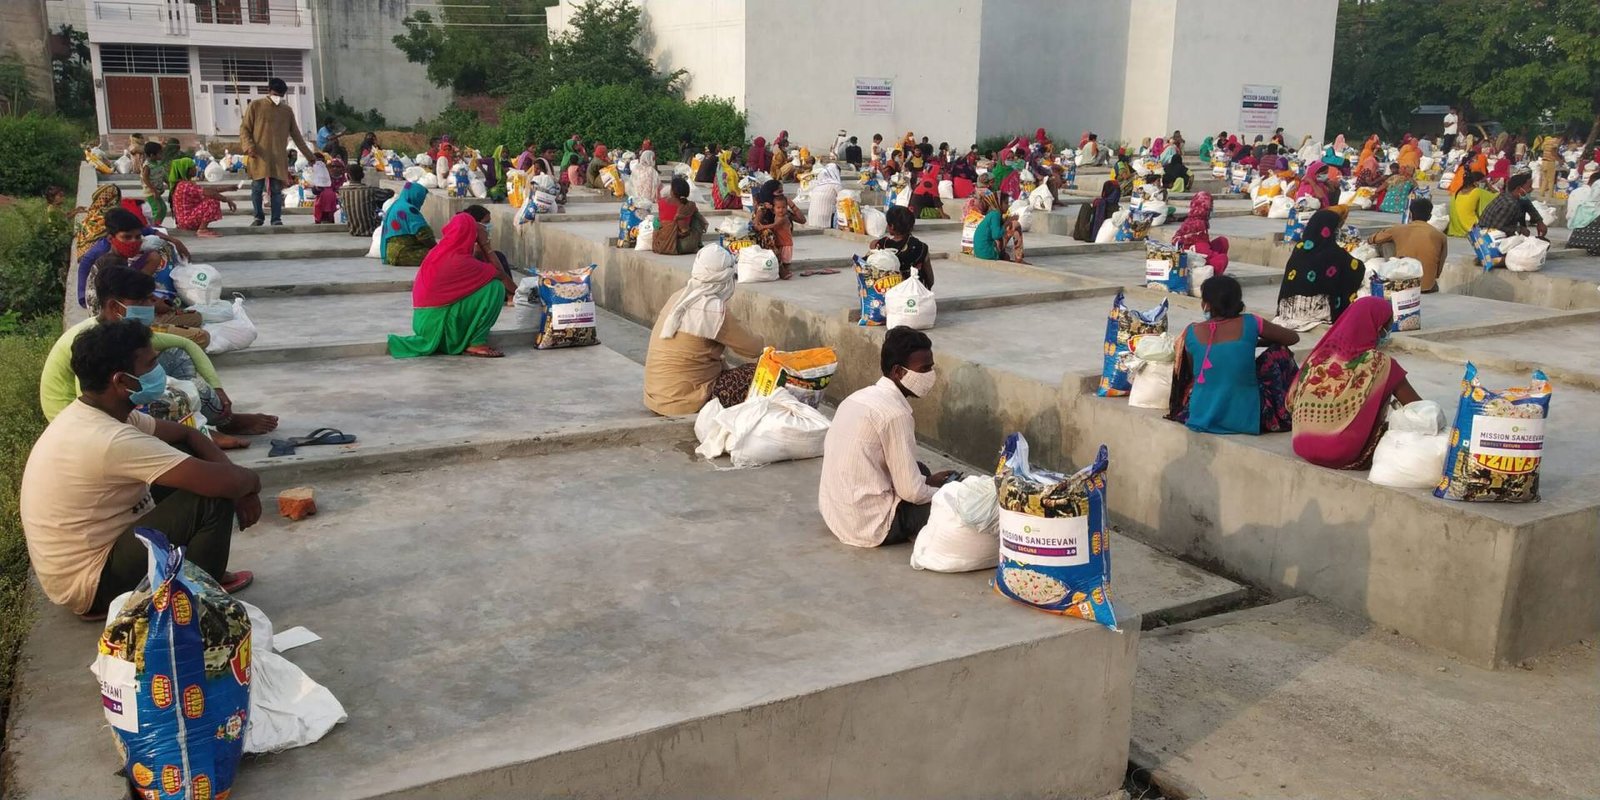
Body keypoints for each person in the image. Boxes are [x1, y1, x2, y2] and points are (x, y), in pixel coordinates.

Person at [21, 320, 262, 618]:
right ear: (122, 381)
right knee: (212, 497)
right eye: (150, 365)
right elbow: (225, 483)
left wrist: (239, 486)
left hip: (94, 558)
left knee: (191, 459)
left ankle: (191, 570)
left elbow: (187, 434)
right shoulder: (109, 438)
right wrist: (250, 485)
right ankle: (195, 598)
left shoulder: (100, 413)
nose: (158, 372)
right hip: (94, 583)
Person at [45, 266, 278, 445]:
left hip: (102, 404)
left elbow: (187, 345)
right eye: (141, 301)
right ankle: (200, 432)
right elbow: (91, 401)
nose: (151, 306)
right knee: (171, 396)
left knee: (176, 355)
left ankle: (219, 420)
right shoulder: (92, 342)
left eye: (149, 299)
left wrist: (216, 387)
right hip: (76, 421)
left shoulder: (124, 332)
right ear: (115, 307)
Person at [818, 327, 955, 547]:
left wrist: (926, 482)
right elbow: (912, 492)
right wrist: (946, 491)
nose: (930, 376)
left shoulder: (857, 397)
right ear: (898, 372)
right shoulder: (895, 415)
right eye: (924, 369)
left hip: (836, 513)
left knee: (920, 470)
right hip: (869, 524)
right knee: (953, 505)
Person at [1288, 296, 1421, 469]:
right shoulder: (1379, 363)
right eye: (1387, 326)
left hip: (1302, 445)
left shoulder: (1320, 356)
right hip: (1342, 453)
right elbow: (1419, 408)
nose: (1388, 332)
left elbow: (1290, 401)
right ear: (1377, 327)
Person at [1168, 275, 1301, 435]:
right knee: (1280, 351)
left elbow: (1195, 371)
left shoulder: (1191, 332)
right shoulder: (1251, 322)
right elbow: (1293, 338)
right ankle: (1289, 407)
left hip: (1201, 414)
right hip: (1246, 417)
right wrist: (1257, 341)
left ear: (1206, 304)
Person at [642, 245, 765, 415]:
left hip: (656, 398)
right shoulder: (713, 309)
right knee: (762, 374)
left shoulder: (678, 297)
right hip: (685, 403)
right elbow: (754, 349)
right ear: (726, 277)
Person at [388, 213, 514, 359]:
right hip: (439, 329)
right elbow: (500, 275)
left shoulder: (439, 252)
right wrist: (486, 245)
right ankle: (477, 343)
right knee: (495, 288)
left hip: (425, 324)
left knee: (486, 284)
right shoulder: (460, 260)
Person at [75, 207, 191, 310]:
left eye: (137, 237)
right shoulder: (110, 260)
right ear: (111, 239)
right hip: (109, 312)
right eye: (127, 237)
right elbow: (122, 301)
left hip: (119, 297)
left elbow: (148, 230)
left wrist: (175, 241)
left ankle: (141, 289)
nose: (133, 242)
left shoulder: (120, 253)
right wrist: (155, 306)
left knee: (153, 256)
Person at [238, 77, 314, 227]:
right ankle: (258, 217)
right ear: (269, 91)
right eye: (275, 94)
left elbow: (296, 135)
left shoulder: (287, 111)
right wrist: (248, 146)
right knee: (257, 188)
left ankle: (276, 219)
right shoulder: (256, 105)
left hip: (278, 156)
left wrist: (310, 156)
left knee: (276, 189)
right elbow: (244, 129)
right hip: (259, 155)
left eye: (280, 95)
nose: (277, 98)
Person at [1276, 209, 1367, 329]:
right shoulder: (1334, 253)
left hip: (1287, 310)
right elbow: (1357, 268)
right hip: (1315, 312)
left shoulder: (1300, 248)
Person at [1370, 198, 1449, 293]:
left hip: (1403, 285)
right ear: (1430, 216)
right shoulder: (1440, 236)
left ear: (1410, 214)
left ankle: (1390, 273)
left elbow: (1373, 239)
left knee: (1386, 242)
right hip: (1427, 286)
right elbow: (1439, 267)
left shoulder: (1398, 229)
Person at [751, 179, 805, 279]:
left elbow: (802, 220)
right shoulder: (762, 207)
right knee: (767, 233)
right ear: (769, 193)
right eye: (779, 192)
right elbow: (755, 225)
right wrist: (763, 210)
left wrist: (791, 204)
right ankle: (780, 268)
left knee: (786, 220)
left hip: (781, 241)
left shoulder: (780, 209)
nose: (782, 195)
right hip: (764, 242)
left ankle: (783, 264)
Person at [870, 206, 935, 289]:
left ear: (892, 226)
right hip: (914, 290)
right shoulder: (922, 247)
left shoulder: (882, 245)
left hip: (889, 291)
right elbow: (930, 279)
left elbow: (872, 244)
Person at [168, 158, 234, 237]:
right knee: (212, 201)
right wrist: (226, 199)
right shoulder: (185, 185)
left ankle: (201, 228)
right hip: (186, 221)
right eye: (193, 167)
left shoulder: (183, 184)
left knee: (209, 197)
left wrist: (228, 188)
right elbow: (209, 193)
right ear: (187, 170)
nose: (196, 169)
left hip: (184, 221)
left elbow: (208, 190)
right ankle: (202, 230)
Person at [1169, 191, 1229, 273]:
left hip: (1197, 251)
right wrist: (1216, 255)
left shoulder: (1199, 221)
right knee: (1222, 259)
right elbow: (1202, 248)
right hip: (1190, 257)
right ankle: (1213, 276)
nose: (1212, 209)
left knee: (1222, 242)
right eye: (1210, 207)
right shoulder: (1197, 224)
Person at [380, 182, 436, 266]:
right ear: (416, 196)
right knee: (440, 256)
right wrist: (437, 248)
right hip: (403, 253)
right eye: (422, 198)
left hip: (391, 253)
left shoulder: (395, 205)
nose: (421, 202)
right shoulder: (409, 209)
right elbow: (424, 234)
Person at [1475, 172, 1547, 238]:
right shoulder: (1510, 204)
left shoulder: (1508, 195)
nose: (1531, 189)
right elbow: (1497, 227)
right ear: (1518, 188)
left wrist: (1539, 221)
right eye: (1529, 187)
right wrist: (1520, 229)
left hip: (1487, 229)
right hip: (1487, 235)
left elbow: (1527, 204)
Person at [652, 176, 709, 255]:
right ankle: (698, 243)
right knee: (697, 218)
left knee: (658, 220)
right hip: (684, 246)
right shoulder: (691, 205)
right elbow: (699, 219)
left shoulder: (661, 202)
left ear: (672, 191)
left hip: (661, 244)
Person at [338, 165, 391, 238]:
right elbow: (389, 193)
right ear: (363, 175)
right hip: (373, 229)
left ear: (347, 176)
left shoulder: (342, 191)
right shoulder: (370, 190)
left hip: (354, 231)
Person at [1446, 170, 1495, 237]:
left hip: (1456, 229)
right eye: (1483, 182)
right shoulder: (1477, 191)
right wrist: (1489, 186)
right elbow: (1497, 196)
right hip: (1472, 228)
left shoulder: (1456, 193)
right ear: (1475, 183)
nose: (1484, 184)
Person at [138, 141, 169, 226]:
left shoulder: (158, 164)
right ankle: (154, 226)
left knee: (163, 209)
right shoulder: (147, 166)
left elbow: (163, 175)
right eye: (160, 153)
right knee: (157, 209)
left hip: (157, 191)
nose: (161, 155)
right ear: (152, 155)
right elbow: (145, 179)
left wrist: (169, 183)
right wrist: (154, 190)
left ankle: (157, 224)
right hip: (151, 192)